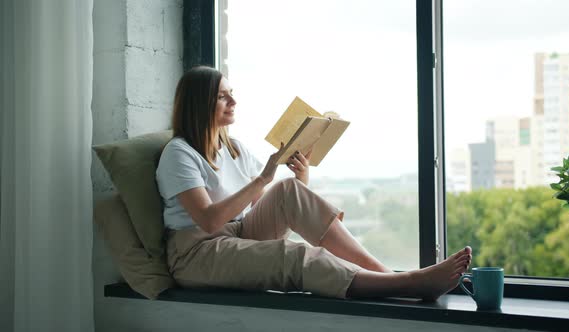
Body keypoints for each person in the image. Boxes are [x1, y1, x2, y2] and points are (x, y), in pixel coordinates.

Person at [156, 66, 472, 300]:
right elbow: (208, 220)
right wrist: (263, 178)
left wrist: (300, 178)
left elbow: (260, 207)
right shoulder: (179, 153)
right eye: (222, 96)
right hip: (197, 251)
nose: (233, 102)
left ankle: (385, 274)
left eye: (231, 94)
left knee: (289, 190)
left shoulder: (234, 147)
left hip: (237, 234)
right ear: (199, 104)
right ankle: (408, 284)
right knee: (293, 255)